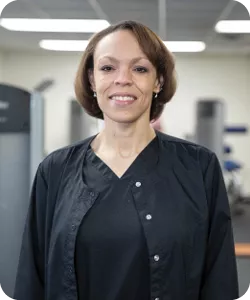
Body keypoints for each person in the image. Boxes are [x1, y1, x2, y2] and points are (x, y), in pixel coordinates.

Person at [14, 20, 240, 300]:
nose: (123, 79)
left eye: (140, 68)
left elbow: (220, 279)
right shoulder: (56, 169)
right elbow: (31, 278)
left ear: (158, 81)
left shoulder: (198, 166)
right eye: (108, 68)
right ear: (92, 79)